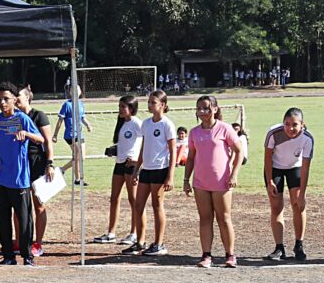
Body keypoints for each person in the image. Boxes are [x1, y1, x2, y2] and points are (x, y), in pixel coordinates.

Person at [0, 82, 45, 266]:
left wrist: (26, 134)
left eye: (6, 99)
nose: (2, 103)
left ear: (14, 100)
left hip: (19, 179)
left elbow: (41, 139)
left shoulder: (22, 119)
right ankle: (8, 256)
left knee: (24, 219)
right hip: (0, 178)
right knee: (3, 219)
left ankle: (27, 256)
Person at [183, 95, 243, 268]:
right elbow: (191, 157)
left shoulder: (225, 129)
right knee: (205, 218)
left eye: (206, 108)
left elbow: (239, 151)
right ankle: (206, 255)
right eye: (199, 108)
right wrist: (186, 179)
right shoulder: (194, 132)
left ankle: (230, 255)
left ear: (215, 109)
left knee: (224, 218)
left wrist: (234, 174)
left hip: (222, 182)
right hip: (200, 183)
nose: (202, 111)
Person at [126, 90, 176, 256]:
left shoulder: (167, 124)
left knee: (157, 205)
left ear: (163, 105)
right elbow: (144, 148)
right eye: (149, 102)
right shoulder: (146, 124)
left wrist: (170, 176)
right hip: (146, 170)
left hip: (160, 170)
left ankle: (159, 244)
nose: (150, 105)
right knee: (138, 205)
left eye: (153, 102)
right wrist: (136, 170)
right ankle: (140, 242)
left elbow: (173, 151)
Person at [263, 108, 314, 262]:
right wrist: (270, 181)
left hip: (295, 168)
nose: (290, 128)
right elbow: (267, 158)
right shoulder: (273, 133)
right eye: (287, 124)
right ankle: (279, 248)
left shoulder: (307, 138)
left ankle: (299, 245)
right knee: (276, 206)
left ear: (302, 124)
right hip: (275, 168)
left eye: (295, 125)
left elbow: (305, 167)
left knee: (298, 205)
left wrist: (302, 194)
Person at [92, 95, 143, 247]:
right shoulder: (121, 123)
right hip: (119, 163)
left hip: (131, 165)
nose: (120, 109)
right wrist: (113, 150)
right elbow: (124, 143)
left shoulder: (137, 123)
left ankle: (134, 233)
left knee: (133, 200)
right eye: (119, 106)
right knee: (114, 198)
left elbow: (145, 141)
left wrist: (137, 161)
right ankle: (111, 233)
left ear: (131, 109)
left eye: (123, 107)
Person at [15, 86, 55, 257]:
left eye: (18, 96)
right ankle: (19, 241)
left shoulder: (39, 116)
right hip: (19, 165)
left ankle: (38, 242)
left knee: (39, 205)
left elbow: (48, 142)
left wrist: (50, 164)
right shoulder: (15, 117)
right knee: (18, 206)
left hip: (37, 163)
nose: (15, 99)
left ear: (27, 97)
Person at [53, 86, 92, 184]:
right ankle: (78, 179)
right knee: (78, 157)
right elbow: (60, 121)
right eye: (73, 90)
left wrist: (88, 125)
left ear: (80, 92)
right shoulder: (67, 105)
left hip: (80, 134)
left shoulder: (81, 104)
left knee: (82, 158)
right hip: (70, 135)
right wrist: (55, 135)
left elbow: (82, 118)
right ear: (70, 92)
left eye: (77, 90)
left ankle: (62, 169)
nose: (75, 92)